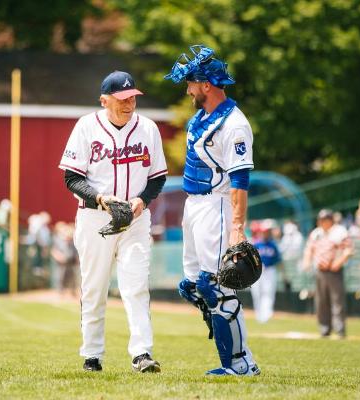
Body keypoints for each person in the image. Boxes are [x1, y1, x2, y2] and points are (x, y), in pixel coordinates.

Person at [59, 70, 167, 373]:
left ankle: (142, 353)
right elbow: (72, 178)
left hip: (135, 219)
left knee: (136, 286)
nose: (128, 103)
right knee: (94, 288)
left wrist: (142, 200)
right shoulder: (86, 127)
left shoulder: (148, 128)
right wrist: (101, 199)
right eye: (121, 98)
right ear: (104, 100)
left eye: (132, 97)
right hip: (96, 219)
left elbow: (157, 178)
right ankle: (92, 355)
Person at [165, 45, 260, 376]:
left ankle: (239, 364)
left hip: (217, 204)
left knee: (215, 285)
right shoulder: (201, 117)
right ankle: (238, 353)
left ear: (206, 84)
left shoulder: (234, 124)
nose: (188, 88)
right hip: (194, 206)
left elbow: (240, 179)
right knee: (192, 286)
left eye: (191, 82)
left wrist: (237, 226)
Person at [303, 209, 353, 338]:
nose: (321, 222)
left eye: (324, 219)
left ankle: (340, 330)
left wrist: (339, 262)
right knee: (321, 302)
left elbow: (348, 250)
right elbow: (310, 248)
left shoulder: (340, 231)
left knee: (337, 301)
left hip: (334, 271)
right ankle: (324, 329)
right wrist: (307, 261)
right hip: (320, 270)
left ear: (330, 220)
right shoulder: (316, 233)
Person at [250, 219, 285, 323]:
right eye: (264, 231)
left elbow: (279, 260)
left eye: (267, 231)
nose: (266, 233)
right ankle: (259, 314)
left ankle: (267, 314)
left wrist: (284, 274)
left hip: (270, 270)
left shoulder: (273, 245)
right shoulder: (256, 244)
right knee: (256, 293)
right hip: (257, 271)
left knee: (268, 292)